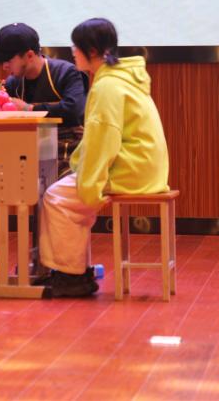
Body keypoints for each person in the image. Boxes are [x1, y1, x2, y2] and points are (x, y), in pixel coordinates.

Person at [37, 18, 169, 297]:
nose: (73, 52)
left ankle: (71, 276)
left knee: (56, 197)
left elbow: (103, 140)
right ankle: (75, 271)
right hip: (144, 166)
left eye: (76, 47)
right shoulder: (122, 78)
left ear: (92, 51)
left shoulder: (107, 85)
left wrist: (89, 183)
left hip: (132, 169)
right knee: (68, 196)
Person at [0, 22, 88, 283]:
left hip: (66, 152)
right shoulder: (13, 83)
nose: (4, 66)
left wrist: (28, 109)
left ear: (29, 55)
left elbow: (73, 110)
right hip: (24, 152)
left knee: (51, 188)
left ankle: (50, 263)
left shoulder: (67, 73)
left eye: (8, 60)